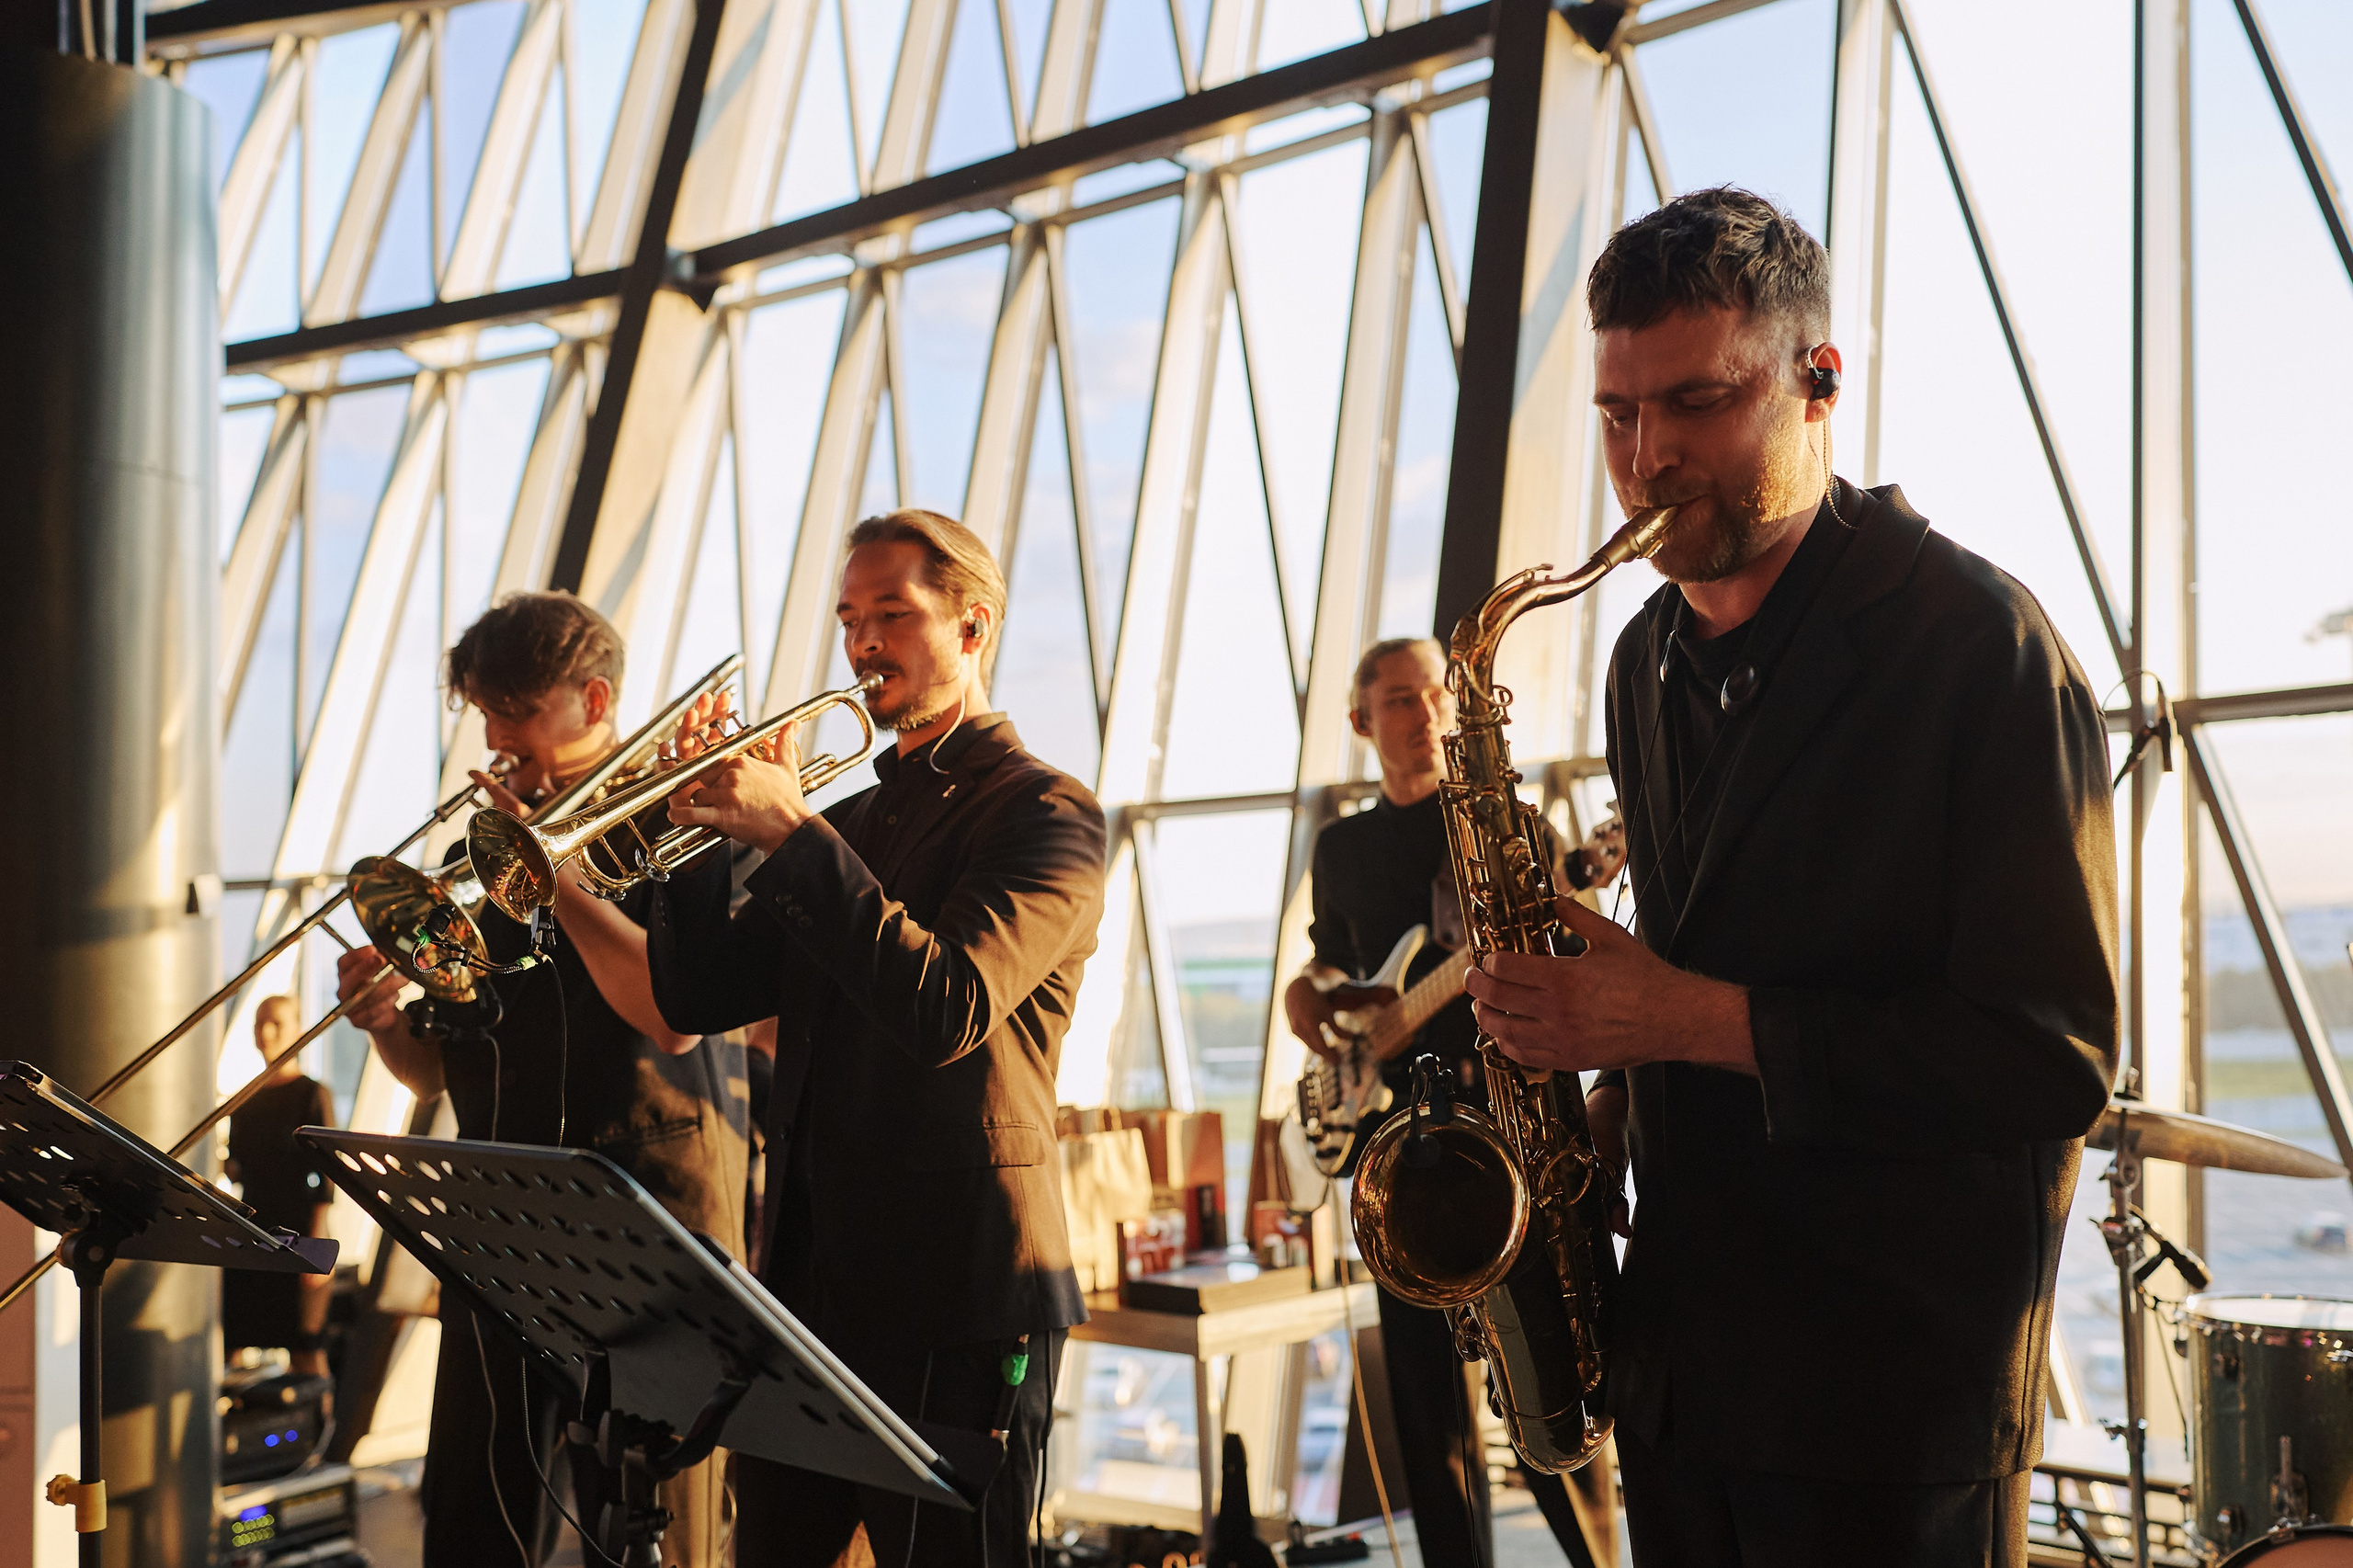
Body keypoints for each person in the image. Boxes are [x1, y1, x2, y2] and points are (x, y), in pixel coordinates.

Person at [1458, 187, 2120, 1565]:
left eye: (1696, 403)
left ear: (1820, 383)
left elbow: (2051, 1061)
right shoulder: (1645, 660)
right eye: (1618, 415)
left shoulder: (1981, 648)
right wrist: (1584, 1102)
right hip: (1688, 1382)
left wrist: (1674, 1020)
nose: (1648, 461)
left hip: (1886, 1411)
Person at [646, 507, 1105, 1567]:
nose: (860, 643)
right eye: (850, 617)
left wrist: (793, 832)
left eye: (893, 614)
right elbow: (698, 988)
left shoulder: (1046, 811)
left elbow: (943, 1007)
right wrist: (694, 830)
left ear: (973, 628)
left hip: (961, 1292)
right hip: (808, 1289)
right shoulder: (851, 822)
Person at [333, 592, 750, 1568]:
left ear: (592, 698)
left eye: (513, 711)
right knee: (475, 1508)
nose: (493, 737)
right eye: (483, 712)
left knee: (662, 1520)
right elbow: (438, 1064)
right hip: (501, 1217)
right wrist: (386, 1019)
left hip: (653, 1214)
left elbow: (673, 1018)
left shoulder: (687, 820)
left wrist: (547, 869)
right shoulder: (465, 860)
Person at [1283, 636, 1622, 1568]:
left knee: (1543, 1380)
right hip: (1400, 1150)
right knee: (1429, 1419)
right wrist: (1306, 990)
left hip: (1505, 1138)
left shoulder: (1509, 823)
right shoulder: (1339, 845)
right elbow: (1330, 955)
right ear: (1359, 721)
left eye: (1434, 693)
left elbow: (1560, 957)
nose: (1424, 712)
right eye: (1398, 698)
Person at [222, 994, 335, 1379]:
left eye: (277, 1023)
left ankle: (322, 1433)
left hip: (299, 1228)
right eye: (259, 1023)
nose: (266, 1032)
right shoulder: (244, 1099)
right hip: (255, 1229)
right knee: (237, 1338)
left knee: (305, 1345)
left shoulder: (311, 1093)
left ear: (298, 1030)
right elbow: (239, 1169)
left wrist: (316, 1241)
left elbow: (328, 1175)